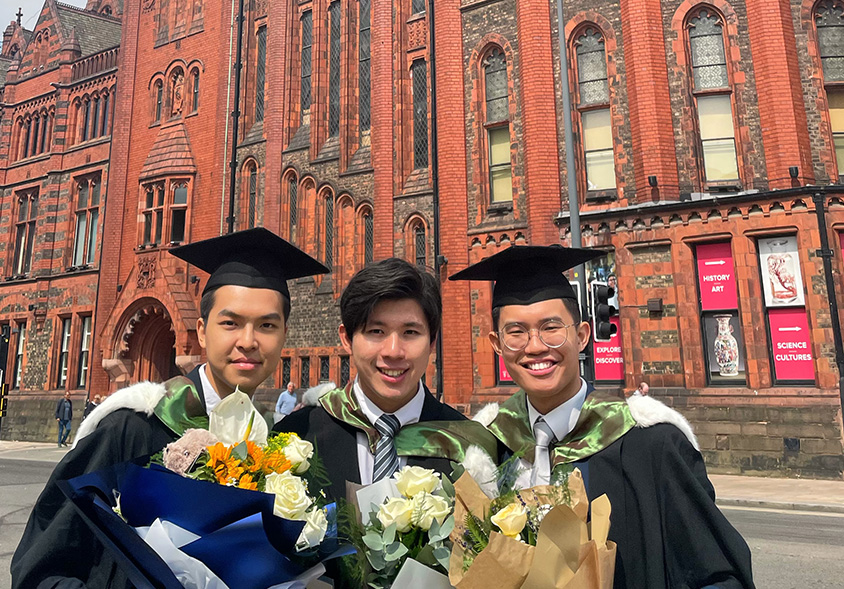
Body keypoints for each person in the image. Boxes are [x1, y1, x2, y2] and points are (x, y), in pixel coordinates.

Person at [11, 228, 328, 589]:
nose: (248, 341)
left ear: (284, 336)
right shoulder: (130, 429)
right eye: (230, 323)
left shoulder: (275, 447)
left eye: (267, 325)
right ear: (202, 332)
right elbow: (39, 571)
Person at [450, 245, 754, 589]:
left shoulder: (651, 444)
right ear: (496, 344)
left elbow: (717, 574)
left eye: (551, 328)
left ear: (581, 336)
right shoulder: (486, 450)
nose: (534, 347)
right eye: (516, 332)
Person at [273, 258, 494, 502]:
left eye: (410, 332)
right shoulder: (296, 436)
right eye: (376, 331)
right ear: (347, 339)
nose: (393, 351)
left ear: (432, 341)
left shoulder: (470, 448)